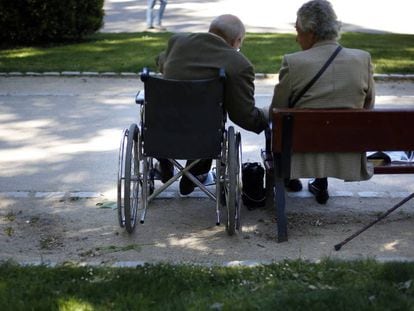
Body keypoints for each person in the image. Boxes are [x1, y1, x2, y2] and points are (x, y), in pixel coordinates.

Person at [270, 0, 375, 204]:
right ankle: (321, 181)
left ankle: (292, 176)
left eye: (298, 30)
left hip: (300, 149)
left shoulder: (294, 62)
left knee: (287, 124)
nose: (296, 37)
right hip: (347, 147)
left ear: (310, 32)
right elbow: (368, 105)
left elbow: (278, 109)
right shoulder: (362, 59)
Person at [156, 14, 268, 195]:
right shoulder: (238, 64)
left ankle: (165, 162)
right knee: (208, 119)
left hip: (162, 131)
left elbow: (161, 62)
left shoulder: (177, 42)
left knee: (183, 111)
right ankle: (197, 172)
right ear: (237, 41)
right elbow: (244, 116)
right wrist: (267, 115)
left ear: (211, 30)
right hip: (204, 136)